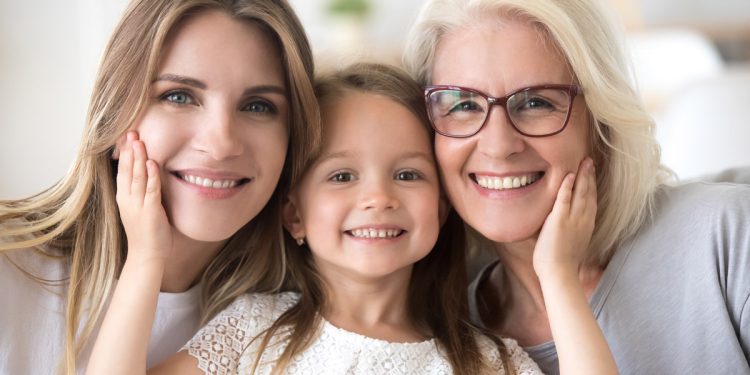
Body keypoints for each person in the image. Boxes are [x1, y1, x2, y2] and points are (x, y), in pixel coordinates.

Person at [87, 62, 617, 374]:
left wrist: (558, 278)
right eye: (341, 177)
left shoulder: (488, 361)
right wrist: (146, 259)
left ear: (443, 206)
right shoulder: (254, 333)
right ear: (293, 214)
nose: (378, 198)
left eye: (408, 175)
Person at [403, 0, 750, 374]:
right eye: (462, 104)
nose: (498, 146)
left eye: (536, 102)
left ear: (601, 124)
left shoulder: (726, 238)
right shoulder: (442, 338)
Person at [0, 0, 319, 373]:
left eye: (259, 106)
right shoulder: (10, 265)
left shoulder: (293, 320)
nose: (221, 145)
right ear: (116, 115)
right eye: (179, 96)